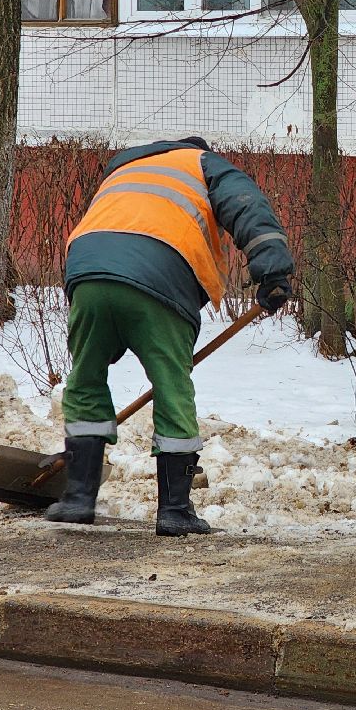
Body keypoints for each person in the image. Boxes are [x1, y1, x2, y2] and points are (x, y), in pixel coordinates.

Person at [44, 136, 294, 536]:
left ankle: (77, 499)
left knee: (86, 377)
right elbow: (248, 206)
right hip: (161, 270)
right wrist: (273, 270)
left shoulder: (123, 169)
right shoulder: (203, 164)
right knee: (171, 385)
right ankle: (175, 510)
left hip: (87, 272)